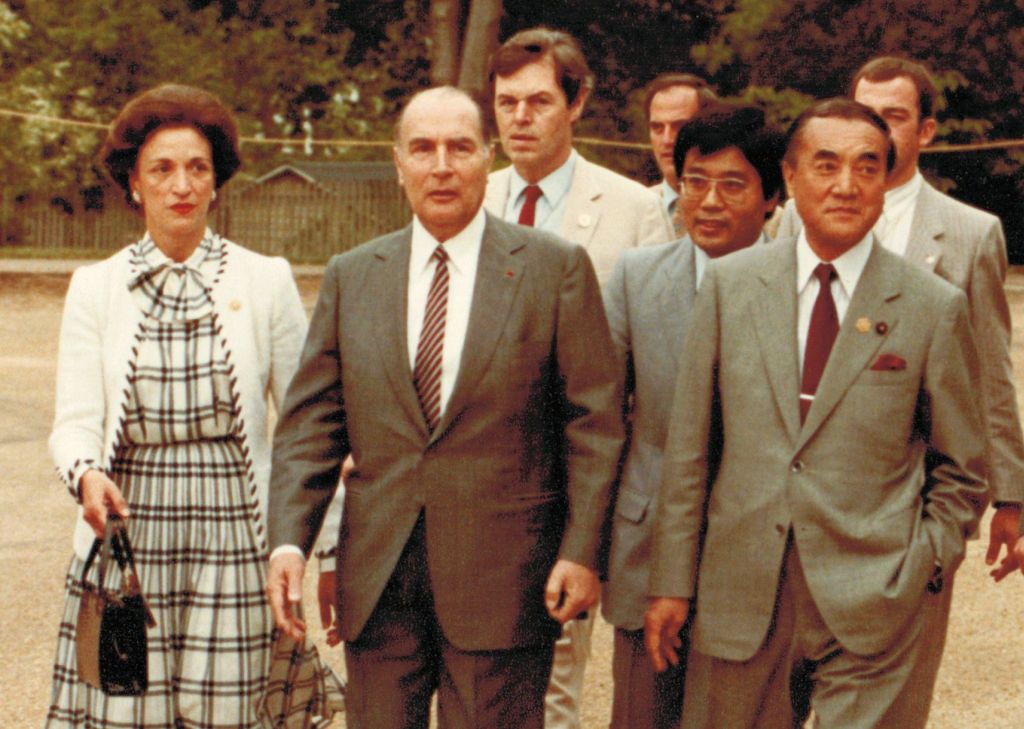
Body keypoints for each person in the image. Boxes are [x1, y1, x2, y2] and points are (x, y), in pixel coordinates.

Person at [264, 86, 624, 729]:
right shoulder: (354, 275)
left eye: (459, 147)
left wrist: (581, 549)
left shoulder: (553, 269)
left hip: (506, 577)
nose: (441, 165)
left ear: (487, 158)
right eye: (423, 149)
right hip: (379, 580)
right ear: (397, 162)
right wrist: (290, 540)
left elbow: (594, 424)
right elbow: (311, 426)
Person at [646, 98, 989, 729]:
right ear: (791, 176)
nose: (845, 184)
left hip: (876, 598)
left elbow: (965, 467)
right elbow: (691, 450)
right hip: (742, 592)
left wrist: (926, 562)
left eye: (867, 167)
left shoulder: (931, 307)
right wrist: (671, 582)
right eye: (826, 165)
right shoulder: (730, 287)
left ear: (886, 182)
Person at [44, 84, 343, 728]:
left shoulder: (265, 280)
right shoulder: (95, 288)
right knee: (127, 707)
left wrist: (329, 546)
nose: (181, 185)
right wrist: (87, 474)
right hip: (128, 535)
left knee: (226, 713)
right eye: (162, 169)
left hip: (234, 534)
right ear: (134, 184)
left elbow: (306, 430)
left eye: (197, 168)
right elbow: (74, 422)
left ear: (216, 183)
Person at [774, 56, 1024, 577]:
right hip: (799, 484)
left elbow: (990, 371)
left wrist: (1010, 494)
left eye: (893, 116)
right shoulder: (798, 215)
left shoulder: (969, 234)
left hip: (910, 494)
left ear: (926, 130)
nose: (875, 130)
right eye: (864, 113)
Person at [601, 102, 783, 729]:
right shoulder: (634, 277)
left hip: (761, 558)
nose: (708, 201)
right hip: (647, 549)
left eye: (733, 185)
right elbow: (597, 419)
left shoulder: (799, 291)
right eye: (694, 182)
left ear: (771, 197)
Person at [484, 26, 672, 288]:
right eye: (507, 102)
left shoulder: (638, 212)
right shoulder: (472, 200)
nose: (520, 117)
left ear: (577, 103)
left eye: (539, 102)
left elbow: (656, 323)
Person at [642, 73, 715, 225]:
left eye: (680, 127)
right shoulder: (631, 212)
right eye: (657, 128)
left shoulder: (763, 220)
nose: (667, 140)